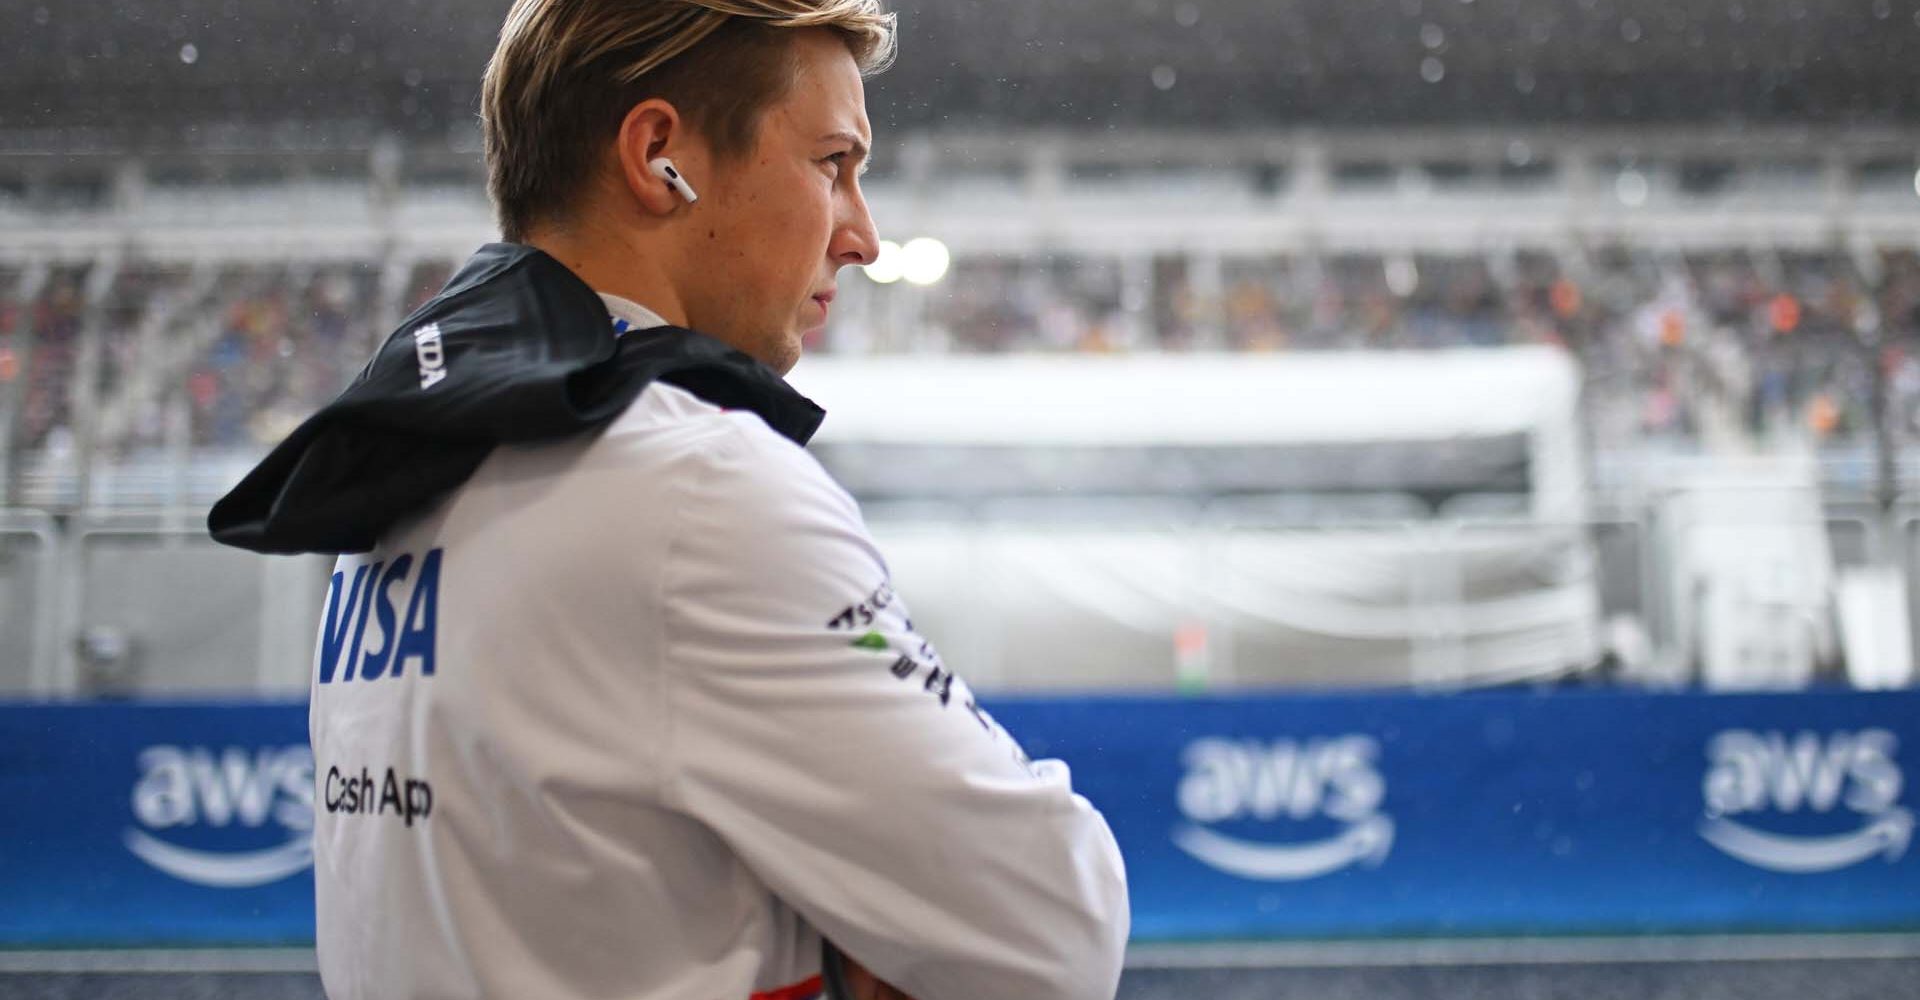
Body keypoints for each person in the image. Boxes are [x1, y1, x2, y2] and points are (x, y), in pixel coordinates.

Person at [206, 2, 1130, 999]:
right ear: (659, 156)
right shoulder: (699, 488)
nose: (861, 234)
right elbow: (1053, 923)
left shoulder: (397, 469)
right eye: (832, 163)